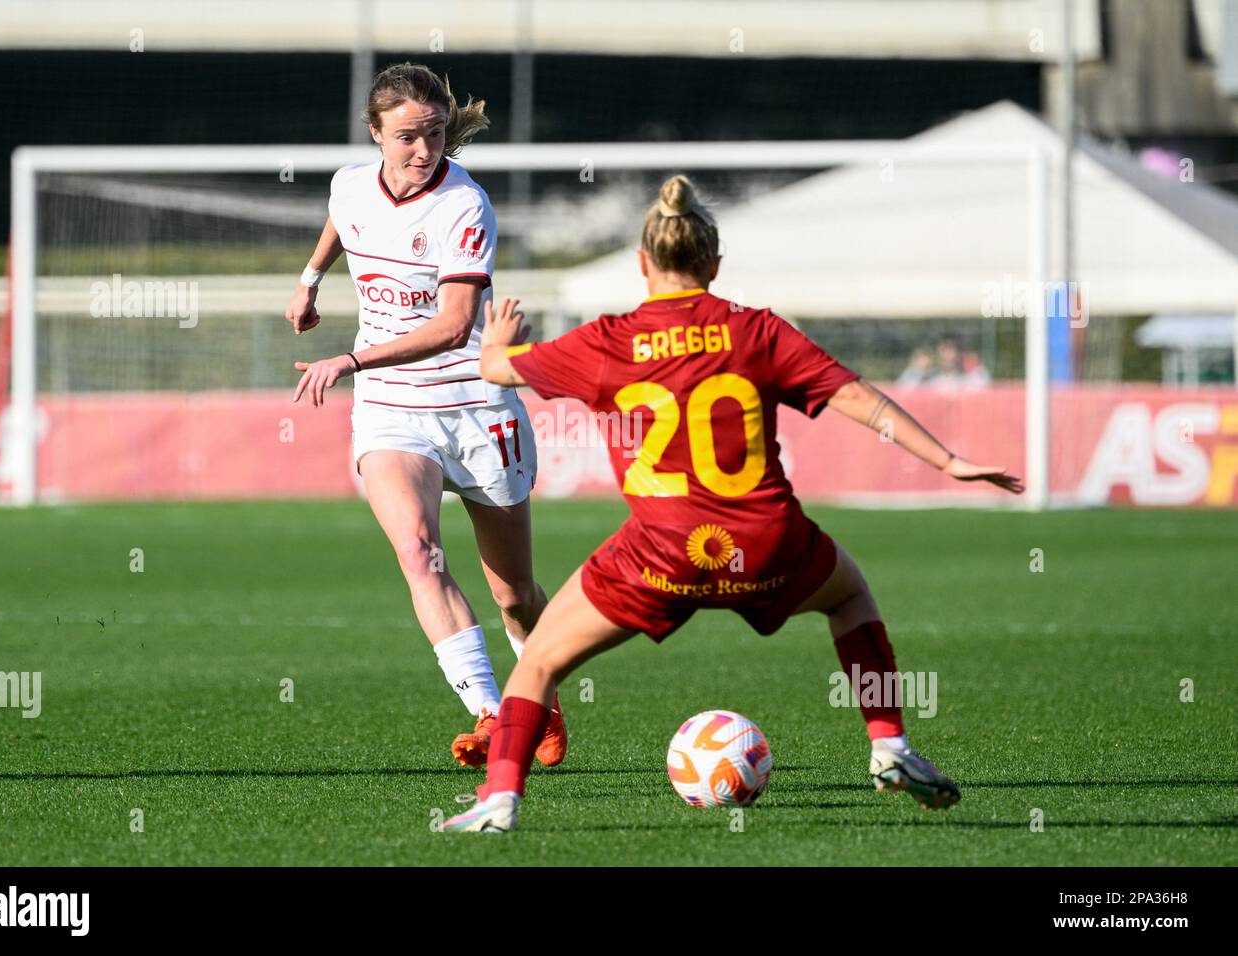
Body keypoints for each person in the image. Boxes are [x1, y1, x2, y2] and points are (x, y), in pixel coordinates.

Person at [441, 175, 1023, 832]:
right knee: (849, 597)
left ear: (642, 263)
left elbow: (498, 370)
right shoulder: (757, 331)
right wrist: (948, 460)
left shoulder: (610, 340)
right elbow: (857, 399)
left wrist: (494, 341)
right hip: (767, 542)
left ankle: (500, 801)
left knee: (540, 657)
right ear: (714, 265)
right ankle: (889, 745)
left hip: (662, 553)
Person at [285, 63, 565, 769]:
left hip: (474, 404)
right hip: (392, 408)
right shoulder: (351, 182)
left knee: (514, 592)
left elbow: (454, 324)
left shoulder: (464, 206)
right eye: (407, 137)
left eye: (434, 135)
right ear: (374, 133)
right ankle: (494, 713)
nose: (422, 150)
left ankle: (543, 694)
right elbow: (344, 221)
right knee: (418, 548)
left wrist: (350, 360)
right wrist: (311, 280)